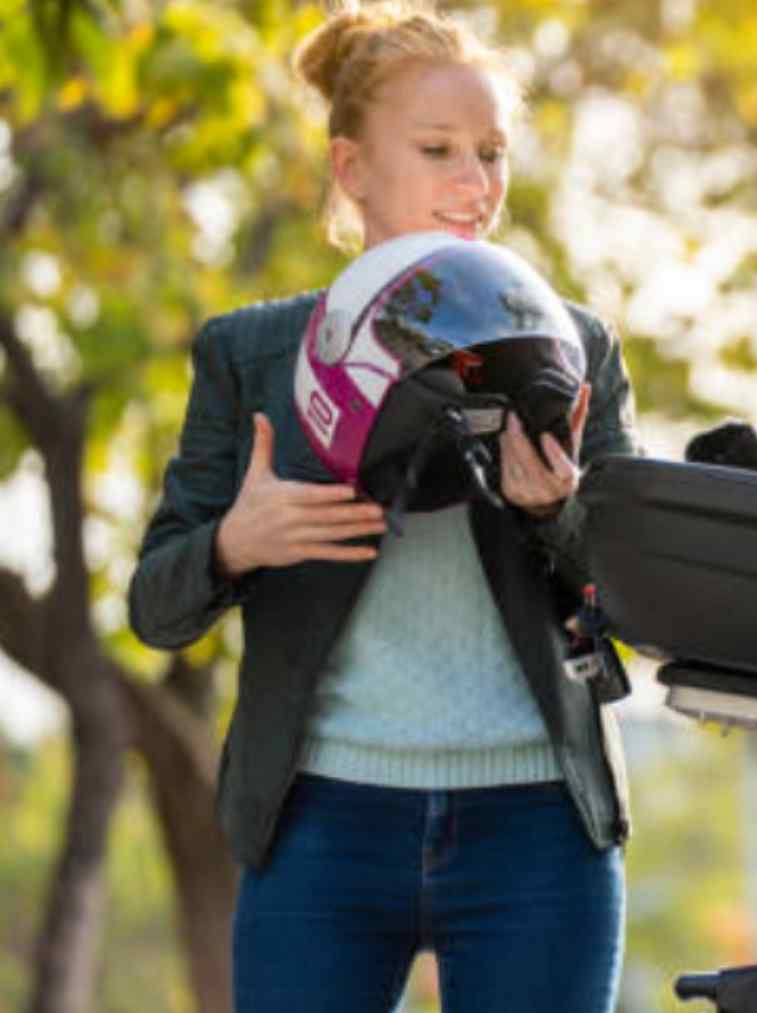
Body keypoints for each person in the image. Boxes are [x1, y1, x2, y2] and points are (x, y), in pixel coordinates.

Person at [127, 2, 639, 1010]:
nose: (475, 182)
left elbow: (639, 596)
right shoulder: (253, 354)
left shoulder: (578, 346)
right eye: (439, 148)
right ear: (352, 168)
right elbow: (156, 607)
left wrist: (560, 515)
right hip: (320, 826)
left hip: (537, 828)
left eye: (491, 152)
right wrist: (237, 542)